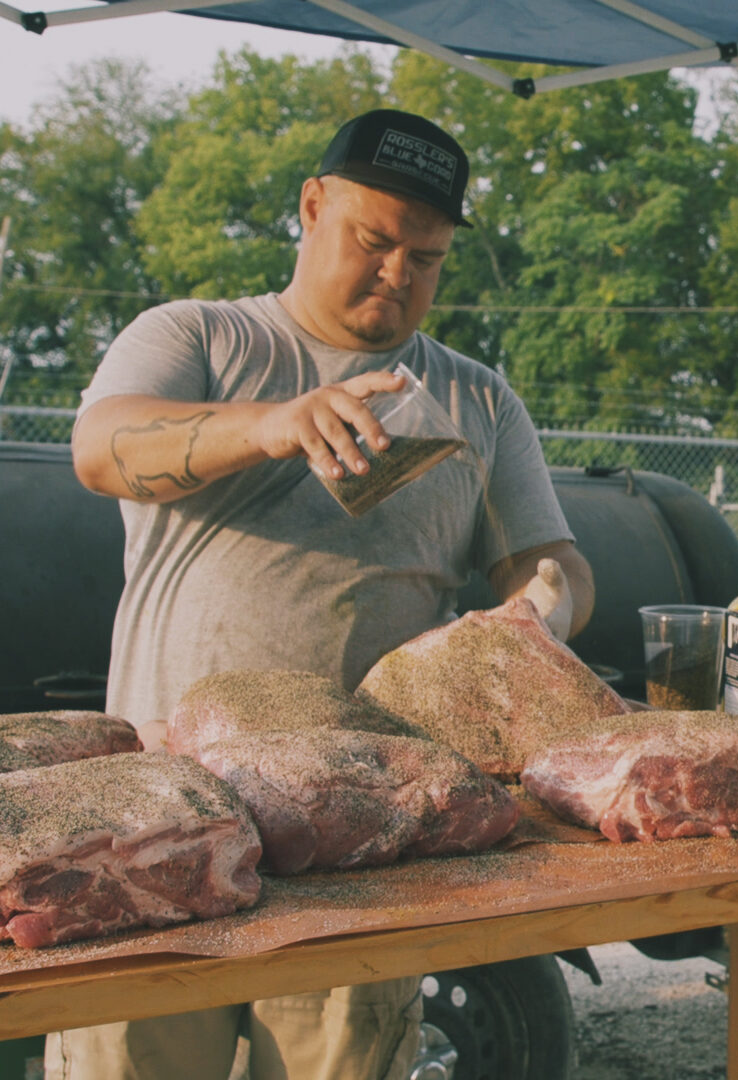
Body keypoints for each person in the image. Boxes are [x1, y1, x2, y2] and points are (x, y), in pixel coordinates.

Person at [54, 109, 594, 1079]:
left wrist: (539, 609)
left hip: (361, 840)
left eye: (424, 258)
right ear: (311, 207)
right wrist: (270, 425)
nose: (396, 273)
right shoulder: (201, 337)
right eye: (373, 240)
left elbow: (551, 561)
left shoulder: (478, 401)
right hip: (160, 824)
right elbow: (100, 450)